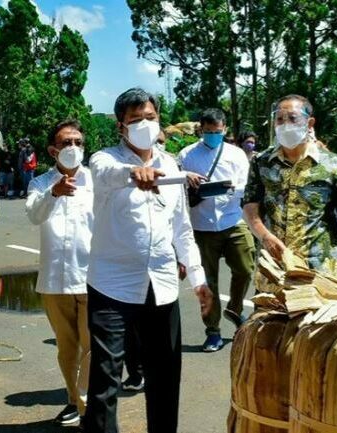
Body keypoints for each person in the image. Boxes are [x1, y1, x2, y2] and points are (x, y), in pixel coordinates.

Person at [84, 87, 212, 433]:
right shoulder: (104, 159)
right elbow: (106, 175)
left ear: (160, 122)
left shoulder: (171, 165)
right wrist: (132, 174)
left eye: (150, 118)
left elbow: (182, 228)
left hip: (162, 287)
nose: (144, 124)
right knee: (105, 381)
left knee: (166, 376)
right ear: (121, 127)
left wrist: (198, 280)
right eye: (135, 119)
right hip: (112, 286)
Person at [243, 94, 337, 277]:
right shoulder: (262, 162)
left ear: (310, 123)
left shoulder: (333, 164)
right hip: (274, 267)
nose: (285, 124)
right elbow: (250, 207)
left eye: (292, 118)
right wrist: (265, 236)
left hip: (319, 268)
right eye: (279, 119)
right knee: (270, 306)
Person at [25, 120, 93, 426]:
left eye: (78, 142)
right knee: (67, 347)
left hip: (94, 278)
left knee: (92, 346)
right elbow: (33, 215)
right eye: (66, 143)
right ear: (53, 150)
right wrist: (53, 193)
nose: (73, 148)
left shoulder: (97, 181)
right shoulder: (40, 183)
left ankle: (86, 407)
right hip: (54, 279)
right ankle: (73, 399)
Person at [178, 108, 255, 352]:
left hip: (233, 219)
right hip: (202, 225)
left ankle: (235, 308)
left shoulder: (236, 154)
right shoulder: (187, 154)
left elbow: (246, 185)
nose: (213, 136)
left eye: (217, 132)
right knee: (207, 282)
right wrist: (186, 178)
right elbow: (175, 187)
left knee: (245, 268)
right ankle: (212, 331)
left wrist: (230, 188)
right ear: (201, 129)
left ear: (225, 130)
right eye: (208, 132)